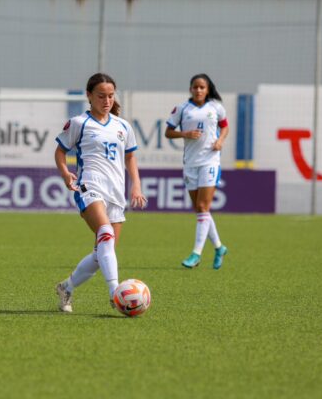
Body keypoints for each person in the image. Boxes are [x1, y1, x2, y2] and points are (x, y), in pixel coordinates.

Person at [54, 73, 147, 313]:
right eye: (101, 96)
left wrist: (136, 184)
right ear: (89, 96)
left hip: (116, 191)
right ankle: (115, 292)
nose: (106, 101)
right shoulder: (79, 123)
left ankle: (66, 287)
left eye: (110, 96)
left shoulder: (123, 126)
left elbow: (130, 156)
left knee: (102, 254)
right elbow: (60, 151)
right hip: (89, 186)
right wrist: (65, 174)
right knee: (105, 234)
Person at [165, 73, 229, 270]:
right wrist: (185, 134)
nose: (198, 90)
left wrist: (220, 141)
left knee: (202, 206)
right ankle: (219, 248)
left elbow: (225, 127)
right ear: (190, 89)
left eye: (202, 87)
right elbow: (168, 131)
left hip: (210, 161)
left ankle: (196, 254)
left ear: (208, 89)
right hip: (190, 163)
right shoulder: (182, 109)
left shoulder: (216, 107)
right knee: (201, 210)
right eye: (195, 87)